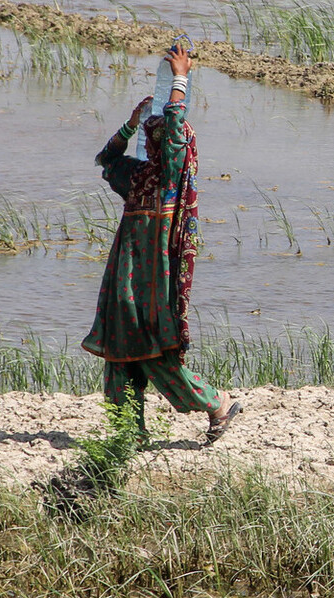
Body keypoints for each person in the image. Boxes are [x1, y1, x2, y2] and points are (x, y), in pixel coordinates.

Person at [83, 45, 239, 446]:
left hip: (154, 282)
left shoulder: (172, 178)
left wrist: (179, 82)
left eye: (159, 138)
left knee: (154, 354)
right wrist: (131, 123)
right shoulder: (137, 177)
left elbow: (173, 128)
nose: (157, 140)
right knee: (120, 350)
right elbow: (105, 157)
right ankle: (128, 432)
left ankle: (217, 405)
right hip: (124, 279)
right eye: (150, 137)